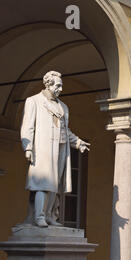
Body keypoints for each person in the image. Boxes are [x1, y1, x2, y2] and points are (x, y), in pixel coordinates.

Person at [20, 71, 90, 228]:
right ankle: (39, 216)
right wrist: (28, 147)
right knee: (42, 183)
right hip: (42, 148)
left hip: (61, 149)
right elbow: (28, 126)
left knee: (55, 185)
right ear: (48, 84)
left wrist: (78, 142)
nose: (60, 89)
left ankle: (51, 215)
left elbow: (65, 130)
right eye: (58, 86)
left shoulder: (63, 107)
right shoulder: (34, 101)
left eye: (61, 86)